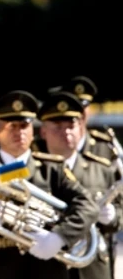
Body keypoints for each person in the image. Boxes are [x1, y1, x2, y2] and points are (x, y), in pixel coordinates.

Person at [0, 90, 98, 279]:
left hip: (48, 270)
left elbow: (87, 206)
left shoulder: (51, 169)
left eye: (24, 125)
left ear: (32, 131)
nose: (19, 132)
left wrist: (59, 237)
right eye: (12, 126)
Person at [36, 91, 122, 279]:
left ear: (81, 127)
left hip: (92, 267)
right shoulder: (35, 171)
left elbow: (120, 213)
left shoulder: (101, 169)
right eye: (57, 126)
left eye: (71, 125)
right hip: (47, 266)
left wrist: (114, 217)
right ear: (43, 131)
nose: (66, 132)